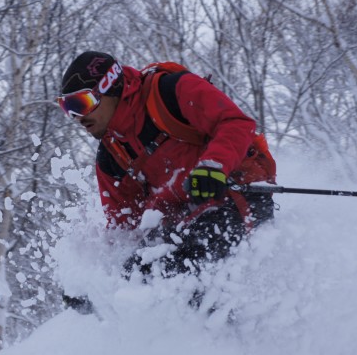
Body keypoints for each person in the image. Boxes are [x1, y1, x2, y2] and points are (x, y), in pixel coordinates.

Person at [57, 51, 276, 312]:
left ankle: (230, 338)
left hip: (237, 194)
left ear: (109, 86)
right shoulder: (111, 157)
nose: (77, 117)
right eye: (67, 107)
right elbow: (124, 227)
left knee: (180, 266)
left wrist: (213, 166)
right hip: (186, 221)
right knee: (138, 273)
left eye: (81, 103)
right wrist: (101, 283)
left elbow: (236, 123)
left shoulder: (169, 92)